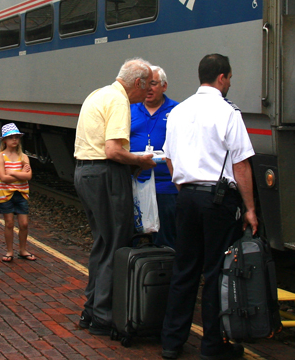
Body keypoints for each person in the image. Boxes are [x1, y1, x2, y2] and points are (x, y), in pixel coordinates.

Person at [160, 54, 258, 360]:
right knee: (217, 273)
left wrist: (184, 187)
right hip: (218, 201)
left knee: (184, 270)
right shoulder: (228, 112)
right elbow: (241, 165)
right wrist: (250, 208)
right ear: (222, 78)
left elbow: (168, 158)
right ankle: (214, 347)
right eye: (229, 78)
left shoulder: (178, 111)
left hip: (186, 197)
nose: (230, 83)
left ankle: (171, 344)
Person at [73, 58, 157, 336]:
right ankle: (103, 315)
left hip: (85, 173)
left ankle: (91, 309)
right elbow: (113, 150)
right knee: (114, 243)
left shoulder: (98, 94)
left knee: (102, 243)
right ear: (137, 83)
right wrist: (140, 160)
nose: (145, 95)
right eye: (145, 88)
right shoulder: (120, 102)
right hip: (106, 174)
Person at [129, 66, 179, 248]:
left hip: (166, 186)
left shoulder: (177, 111)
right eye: (145, 84)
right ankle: (138, 273)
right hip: (135, 185)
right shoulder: (130, 110)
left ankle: (165, 273)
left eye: (153, 84)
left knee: (166, 240)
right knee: (133, 237)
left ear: (164, 86)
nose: (148, 89)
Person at [0, 123, 35, 262]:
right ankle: (9, 251)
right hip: (6, 194)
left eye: (16, 137)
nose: (14, 140)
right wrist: (20, 173)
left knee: (24, 224)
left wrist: (11, 171)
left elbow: (28, 176)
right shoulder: (0, 157)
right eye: (11, 137)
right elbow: (3, 178)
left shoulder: (24, 156)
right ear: (4, 140)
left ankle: (23, 249)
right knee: (9, 223)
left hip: (22, 193)